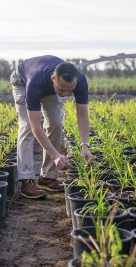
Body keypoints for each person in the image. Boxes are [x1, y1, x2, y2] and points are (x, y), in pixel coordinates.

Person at [10, 55, 93, 199]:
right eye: (62, 90)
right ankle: (26, 180)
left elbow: (83, 115)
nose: (66, 95)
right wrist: (56, 155)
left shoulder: (80, 81)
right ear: (53, 78)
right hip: (22, 80)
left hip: (47, 85)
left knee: (55, 122)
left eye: (70, 91)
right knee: (27, 127)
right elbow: (36, 127)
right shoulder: (35, 82)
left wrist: (84, 145)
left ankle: (47, 177)